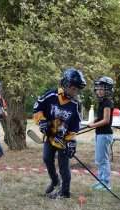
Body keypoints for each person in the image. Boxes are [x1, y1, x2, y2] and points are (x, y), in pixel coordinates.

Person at [33, 68, 86, 199]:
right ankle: (55, 182)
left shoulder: (75, 104)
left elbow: (75, 125)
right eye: (73, 88)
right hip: (50, 136)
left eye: (77, 90)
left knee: (63, 164)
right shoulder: (51, 95)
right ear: (66, 84)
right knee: (46, 158)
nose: (75, 92)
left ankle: (65, 192)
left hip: (64, 139)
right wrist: (43, 122)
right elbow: (37, 108)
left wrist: (72, 141)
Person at [87, 76, 114, 190]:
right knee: (98, 159)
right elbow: (99, 118)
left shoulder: (107, 103)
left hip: (105, 134)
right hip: (99, 134)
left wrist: (93, 125)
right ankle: (100, 180)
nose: (99, 91)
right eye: (97, 88)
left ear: (108, 89)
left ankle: (106, 182)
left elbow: (106, 120)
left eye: (102, 88)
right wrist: (92, 122)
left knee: (103, 159)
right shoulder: (101, 102)